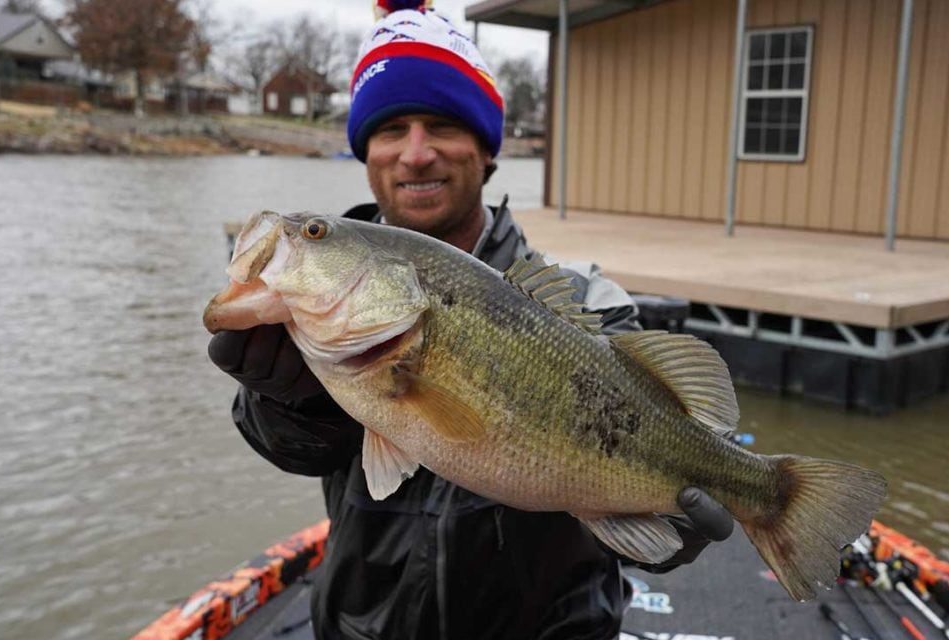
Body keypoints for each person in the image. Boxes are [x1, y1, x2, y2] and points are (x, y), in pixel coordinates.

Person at [208, 6, 733, 640]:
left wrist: (663, 529)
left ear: (486, 149)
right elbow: (296, 451)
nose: (417, 153)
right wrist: (291, 403)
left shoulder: (588, 300)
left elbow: (625, 483)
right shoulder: (321, 311)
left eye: (444, 125)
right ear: (365, 152)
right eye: (392, 128)